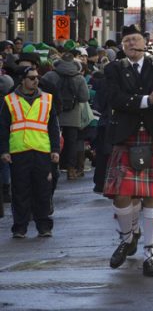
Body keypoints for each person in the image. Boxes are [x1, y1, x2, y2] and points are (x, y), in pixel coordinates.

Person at [102, 25, 153, 277]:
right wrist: (148, 101)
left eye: (135, 39)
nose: (130, 44)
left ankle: (150, 253)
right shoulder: (113, 69)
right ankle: (126, 238)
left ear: (145, 42)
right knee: (121, 195)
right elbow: (114, 98)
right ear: (122, 46)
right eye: (126, 40)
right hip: (127, 136)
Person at [0, 67, 60, 238]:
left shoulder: (47, 99)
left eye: (37, 78)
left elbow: (53, 127)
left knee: (42, 190)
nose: (36, 81)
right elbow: (3, 128)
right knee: (20, 191)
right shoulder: (9, 100)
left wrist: (55, 150)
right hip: (18, 152)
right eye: (32, 78)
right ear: (22, 80)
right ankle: (20, 227)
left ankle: (44, 226)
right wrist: (4, 150)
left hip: (41, 151)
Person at [40, 52, 90, 180]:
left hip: (53, 112)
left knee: (51, 139)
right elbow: (85, 97)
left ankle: (51, 167)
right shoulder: (79, 77)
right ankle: (71, 170)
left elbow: (40, 91)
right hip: (73, 114)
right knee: (71, 142)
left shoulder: (51, 75)